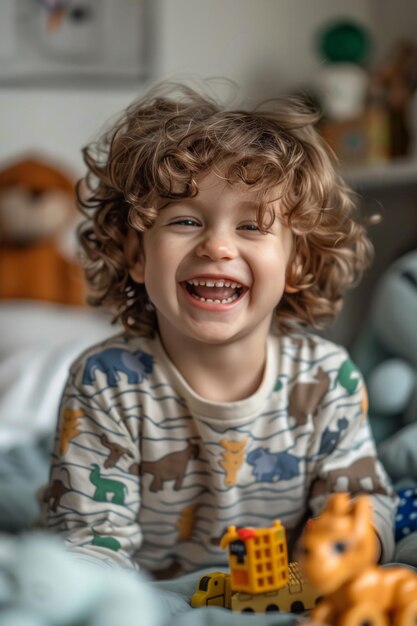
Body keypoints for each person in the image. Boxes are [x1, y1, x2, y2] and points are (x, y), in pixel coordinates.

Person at [45, 82, 396, 576]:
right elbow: (87, 549)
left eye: (251, 227)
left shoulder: (327, 379)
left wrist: (348, 542)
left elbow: (363, 500)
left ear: (297, 262)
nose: (218, 247)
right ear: (136, 255)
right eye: (186, 221)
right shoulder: (105, 382)